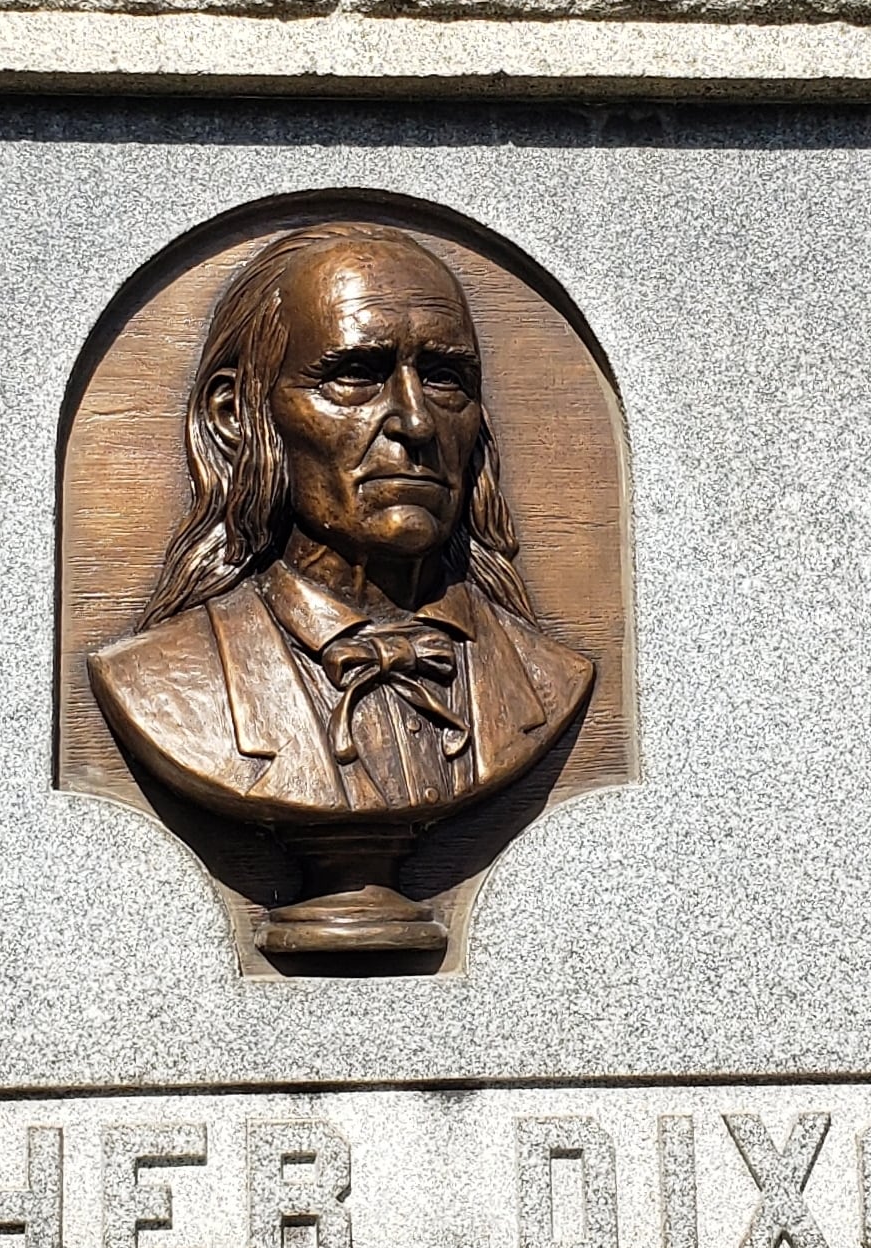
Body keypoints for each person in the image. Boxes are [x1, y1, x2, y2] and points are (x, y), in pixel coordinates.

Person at [89, 224, 593, 856]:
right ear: (237, 416)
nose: (415, 422)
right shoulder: (158, 682)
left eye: (444, 378)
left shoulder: (547, 679)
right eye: (355, 375)